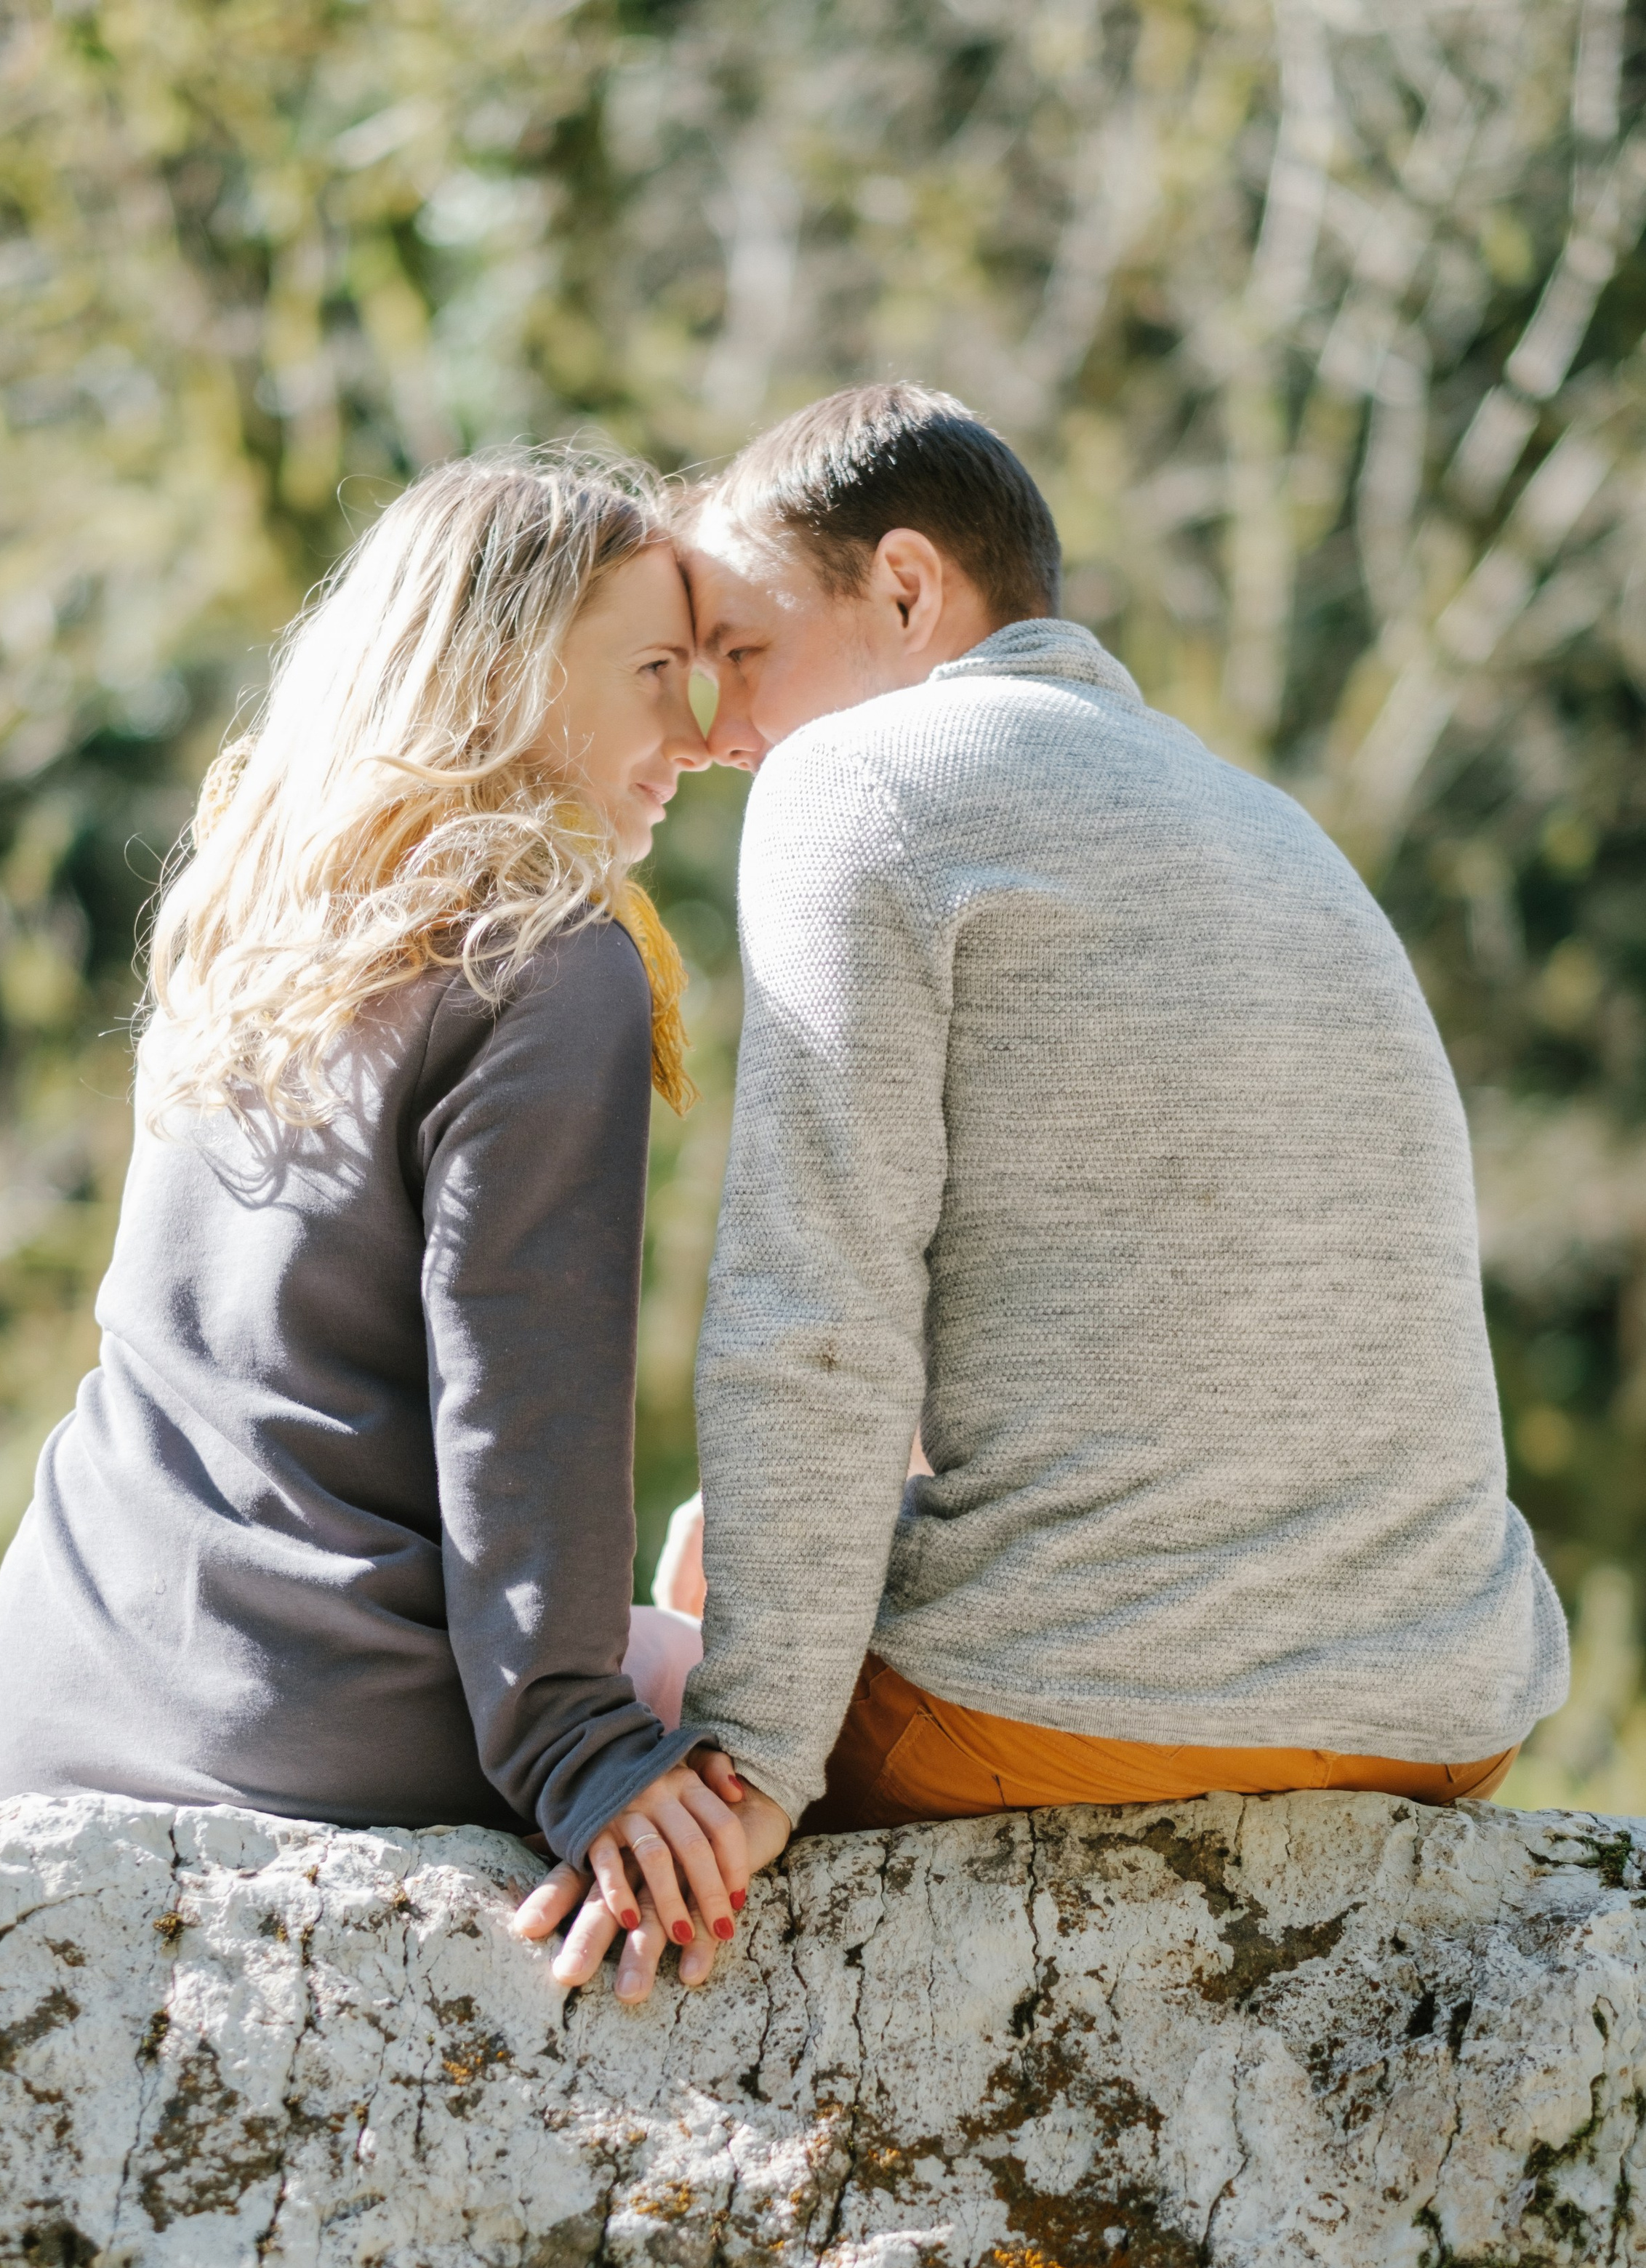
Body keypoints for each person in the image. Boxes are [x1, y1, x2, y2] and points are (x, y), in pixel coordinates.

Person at [530, 381, 1567, 1987]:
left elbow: (816, 1313)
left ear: (902, 584)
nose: (714, 730)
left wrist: (748, 1756)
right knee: (717, 1563)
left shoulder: (862, 780)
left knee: (582, 1667)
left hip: (1080, 1712)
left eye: (739, 651)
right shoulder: (1274, 824)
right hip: (1442, 1718)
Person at [0, 456, 754, 1996]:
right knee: (795, 1720)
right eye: (654, 672)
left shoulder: (265, 907)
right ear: (503, 669)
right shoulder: (550, 951)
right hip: (304, 1716)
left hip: (60, 1677)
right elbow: (518, 1391)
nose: (701, 735)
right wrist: (586, 1745)